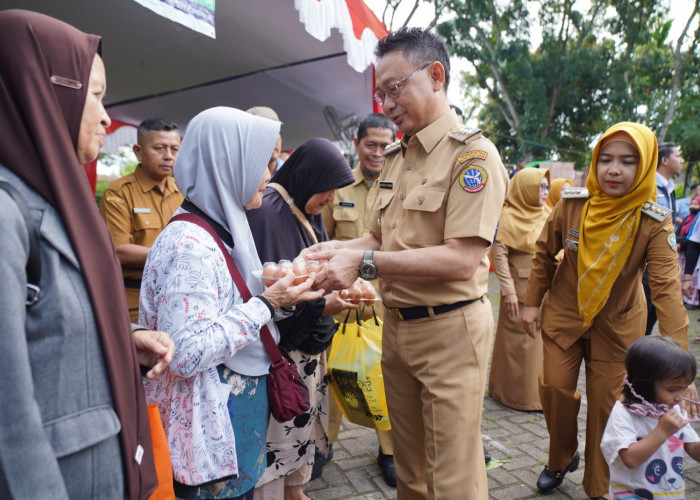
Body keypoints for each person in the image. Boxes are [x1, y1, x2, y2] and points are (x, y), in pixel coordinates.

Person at [303, 27, 509, 499]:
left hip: (450, 331)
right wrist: (334, 251)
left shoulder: (472, 156)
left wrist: (364, 264)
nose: (388, 102)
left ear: (436, 76)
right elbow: (379, 235)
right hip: (395, 328)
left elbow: (461, 259)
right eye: (381, 92)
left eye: (396, 88)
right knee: (409, 468)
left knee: (453, 474)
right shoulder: (398, 156)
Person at [0, 10, 174, 499]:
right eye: (93, 95)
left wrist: (123, 338)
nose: (105, 117)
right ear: (42, 92)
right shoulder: (7, 213)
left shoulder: (58, 202)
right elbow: (7, 418)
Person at [139, 107, 323, 500]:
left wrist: (280, 299)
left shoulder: (220, 228)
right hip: (203, 438)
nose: (270, 176)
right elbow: (184, 353)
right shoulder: (189, 245)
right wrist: (268, 304)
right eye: (261, 163)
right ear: (228, 165)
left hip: (225, 422)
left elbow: (233, 308)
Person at [522, 122, 693, 499]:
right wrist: (532, 303)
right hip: (564, 316)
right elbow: (543, 253)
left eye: (628, 161)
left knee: (606, 409)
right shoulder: (572, 204)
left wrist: (680, 363)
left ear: (645, 165)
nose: (614, 170)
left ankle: (598, 485)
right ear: (595, 163)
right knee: (553, 390)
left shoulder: (654, 220)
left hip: (618, 328)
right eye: (606, 160)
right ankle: (561, 457)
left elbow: (666, 289)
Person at [246, 138, 355, 500]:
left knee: (303, 419)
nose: (331, 199)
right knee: (281, 425)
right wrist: (323, 306)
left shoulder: (302, 209)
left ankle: (295, 490)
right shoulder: (269, 211)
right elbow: (272, 294)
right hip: (282, 350)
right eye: (327, 190)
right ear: (308, 178)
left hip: (309, 345)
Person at [320, 113, 397, 486]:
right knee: (337, 371)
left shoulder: (399, 185)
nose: (378, 152)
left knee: (384, 377)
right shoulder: (340, 189)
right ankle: (326, 442)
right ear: (357, 145)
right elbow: (328, 240)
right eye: (371, 144)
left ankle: (388, 450)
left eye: (385, 145)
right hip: (343, 305)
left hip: (385, 304)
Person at [99, 118, 184, 322]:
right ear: (138, 151)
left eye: (174, 149)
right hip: (132, 303)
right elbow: (119, 251)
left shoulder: (183, 192)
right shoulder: (119, 192)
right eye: (159, 148)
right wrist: (177, 255)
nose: (168, 156)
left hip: (176, 299)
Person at [601, 336, 700, 499]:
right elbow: (629, 459)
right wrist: (662, 431)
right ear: (643, 383)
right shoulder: (624, 413)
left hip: (671, 493)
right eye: (673, 390)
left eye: (683, 388)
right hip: (631, 495)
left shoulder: (674, 409)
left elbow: (694, 450)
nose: (679, 397)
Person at [488, 168, 550, 411]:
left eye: (547, 187)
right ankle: (512, 395)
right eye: (540, 187)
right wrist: (508, 291)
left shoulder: (548, 213)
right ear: (525, 188)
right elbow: (500, 256)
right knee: (517, 346)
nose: (545, 192)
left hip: (546, 291)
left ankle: (537, 395)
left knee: (538, 349)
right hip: (519, 291)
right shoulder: (508, 217)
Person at [643, 141, 685, 335]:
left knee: (654, 314)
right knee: (642, 312)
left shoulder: (669, 187)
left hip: (663, 262)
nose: (682, 160)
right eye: (678, 156)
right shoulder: (648, 186)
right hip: (645, 264)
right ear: (665, 160)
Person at [246, 106, 284, 174]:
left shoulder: (292, 174)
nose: (274, 140)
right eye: (266, 133)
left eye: (277, 133)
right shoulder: (237, 175)